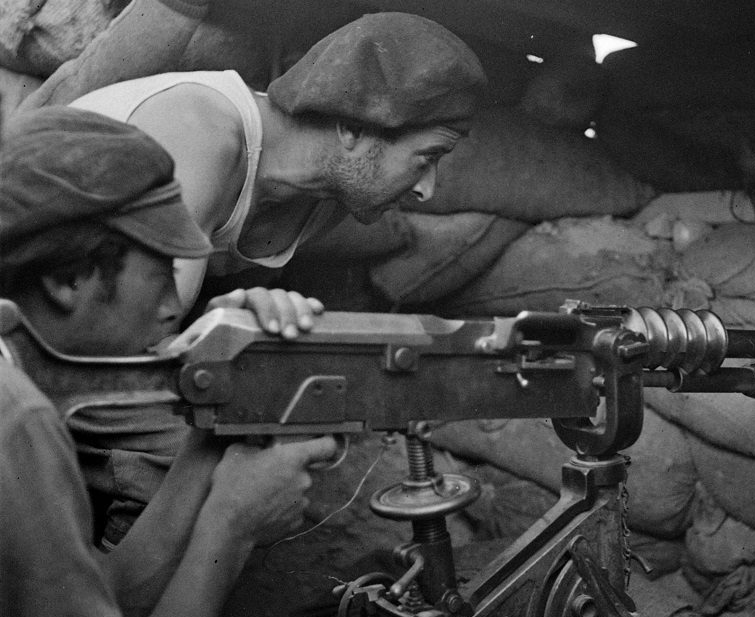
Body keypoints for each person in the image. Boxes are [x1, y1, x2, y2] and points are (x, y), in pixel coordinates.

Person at [0, 106, 340, 617]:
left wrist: (212, 431)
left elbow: (103, 593)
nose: (172, 307)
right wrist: (232, 526)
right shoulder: (18, 418)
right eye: (162, 271)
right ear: (69, 279)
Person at [67, 11, 487, 318]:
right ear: (354, 130)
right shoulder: (202, 132)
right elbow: (135, 330)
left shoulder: (329, 197)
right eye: (427, 157)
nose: (426, 189)